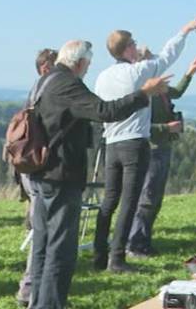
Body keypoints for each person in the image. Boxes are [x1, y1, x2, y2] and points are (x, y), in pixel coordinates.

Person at [27, 40, 170, 309]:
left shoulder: (44, 82)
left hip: (41, 172)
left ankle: (39, 302)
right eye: (88, 65)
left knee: (42, 247)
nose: (87, 70)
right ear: (80, 63)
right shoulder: (67, 84)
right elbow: (105, 112)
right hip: (61, 174)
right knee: (61, 249)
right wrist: (143, 93)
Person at [92, 16, 196, 272]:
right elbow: (166, 56)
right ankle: (117, 260)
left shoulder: (102, 77)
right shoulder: (137, 72)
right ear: (128, 48)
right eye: (134, 43)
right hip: (134, 143)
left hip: (111, 143)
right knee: (129, 203)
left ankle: (99, 255)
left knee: (109, 201)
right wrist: (183, 30)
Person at [127, 55, 196, 257]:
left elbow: (175, 93)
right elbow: (138, 127)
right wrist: (166, 128)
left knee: (154, 198)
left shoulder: (158, 88)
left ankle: (143, 240)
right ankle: (135, 243)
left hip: (162, 146)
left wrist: (188, 74)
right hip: (152, 148)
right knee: (147, 198)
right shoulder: (140, 93)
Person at [16, 48, 58, 307]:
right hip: (38, 169)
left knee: (40, 232)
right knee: (42, 234)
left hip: (29, 168)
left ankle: (30, 289)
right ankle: (30, 290)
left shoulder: (36, 92)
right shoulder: (46, 93)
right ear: (45, 68)